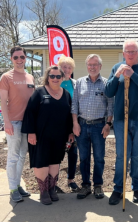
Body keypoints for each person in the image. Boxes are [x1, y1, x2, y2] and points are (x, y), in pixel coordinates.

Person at [105, 39, 138, 205]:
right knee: (121, 155)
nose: (131, 54)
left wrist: (133, 75)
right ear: (123, 53)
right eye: (128, 51)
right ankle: (118, 188)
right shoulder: (116, 67)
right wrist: (118, 75)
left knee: (137, 155)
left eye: (134, 51)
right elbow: (108, 91)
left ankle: (137, 187)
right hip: (121, 118)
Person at [21, 66, 74, 205]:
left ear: (62, 78)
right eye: (52, 76)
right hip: (40, 135)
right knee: (41, 162)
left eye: (58, 76)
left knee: (55, 161)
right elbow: (30, 113)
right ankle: (43, 191)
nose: (55, 79)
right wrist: (31, 132)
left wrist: (70, 132)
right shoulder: (39, 92)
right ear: (47, 77)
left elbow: (69, 116)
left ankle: (51, 189)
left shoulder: (66, 94)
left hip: (59, 136)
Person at [72, 54, 114, 200]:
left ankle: (98, 185)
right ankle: (85, 185)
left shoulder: (106, 83)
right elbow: (74, 105)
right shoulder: (79, 82)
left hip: (99, 126)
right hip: (82, 126)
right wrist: (75, 124)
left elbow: (110, 106)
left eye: (95, 64)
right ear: (87, 66)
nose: (92, 67)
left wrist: (108, 124)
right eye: (90, 64)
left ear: (100, 66)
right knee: (83, 158)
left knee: (99, 157)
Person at [0, 46, 34, 203]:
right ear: (11, 59)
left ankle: (17, 185)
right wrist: (6, 122)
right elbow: (3, 102)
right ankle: (12, 189)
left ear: (26, 58)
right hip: (13, 122)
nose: (19, 60)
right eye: (16, 57)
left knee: (21, 156)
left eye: (22, 57)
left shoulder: (30, 77)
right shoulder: (6, 77)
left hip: (28, 123)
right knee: (13, 156)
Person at [57, 55, 79, 191]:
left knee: (73, 153)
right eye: (64, 66)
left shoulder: (75, 84)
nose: (66, 69)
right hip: (57, 125)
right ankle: (53, 182)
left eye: (69, 67)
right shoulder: (54, 82)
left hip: (72, 124)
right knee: (57, 154)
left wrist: (73, 128)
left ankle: (71, 179)